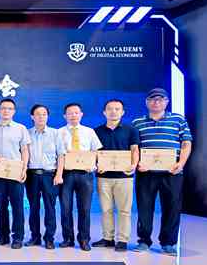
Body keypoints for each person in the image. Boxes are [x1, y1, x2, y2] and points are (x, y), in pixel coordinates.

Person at [132, 88, 192, 255]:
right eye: (152, 99)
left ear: (166, 102)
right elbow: (134, 147)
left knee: (172, 207)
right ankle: (144, 241)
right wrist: (137, 164)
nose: (156, 102)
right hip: (146, 172)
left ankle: (168, 243)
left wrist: (181, 163)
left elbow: (186, 143)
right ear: (147, 102)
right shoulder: (137, 122)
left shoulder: (178, 120)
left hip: (172, 172)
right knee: (144, 207)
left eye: (160, 99)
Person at [94, 99, 140, 252]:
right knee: (105, 210)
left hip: (124, 177)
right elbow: (94, 152)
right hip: (103, 177)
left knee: (124, 211)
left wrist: (133, 165)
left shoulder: (131, 130)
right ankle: (108, 238)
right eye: (110, 109)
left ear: (122, 112)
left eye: (117, 109)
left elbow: (135, 150)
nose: (113, 111)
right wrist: (97, 164)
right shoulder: (97, 131)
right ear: (104, 112)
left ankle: (122, 240)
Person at [56, 103, 102, 251]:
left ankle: (84, 239)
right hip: (66, 174)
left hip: (85, 174)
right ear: (65, 116)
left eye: (76, 113)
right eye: (70, 113)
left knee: (85, 209)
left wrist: (93, 164)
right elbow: (58, 154)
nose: (73, 115)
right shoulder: (59, 132)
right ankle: (68, 238)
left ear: (81, 114)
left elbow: (96, 151)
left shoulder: (89, 132)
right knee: (65, 208)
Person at [0, 98, 30, 249]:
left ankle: (18, 237)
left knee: (17, 206)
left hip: (16, 171)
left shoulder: (21, 128)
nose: (6, 111)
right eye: (3, 108)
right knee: (1, 206)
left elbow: (24, 150)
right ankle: (3, 236)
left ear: (14, 111)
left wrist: (24, 169)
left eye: (9, 108)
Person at [25, 104, 65, 249]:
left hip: (50, 175)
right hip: (32, 175)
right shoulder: (26, 133)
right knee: (33, 207)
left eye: (44, 114)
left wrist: (59, 174)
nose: (41, 117)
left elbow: (61, 155)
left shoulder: (55, 133)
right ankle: (35, 237)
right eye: (38, 114)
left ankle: (49, 238)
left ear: (47, 116)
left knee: (50, 207)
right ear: (32, 117)